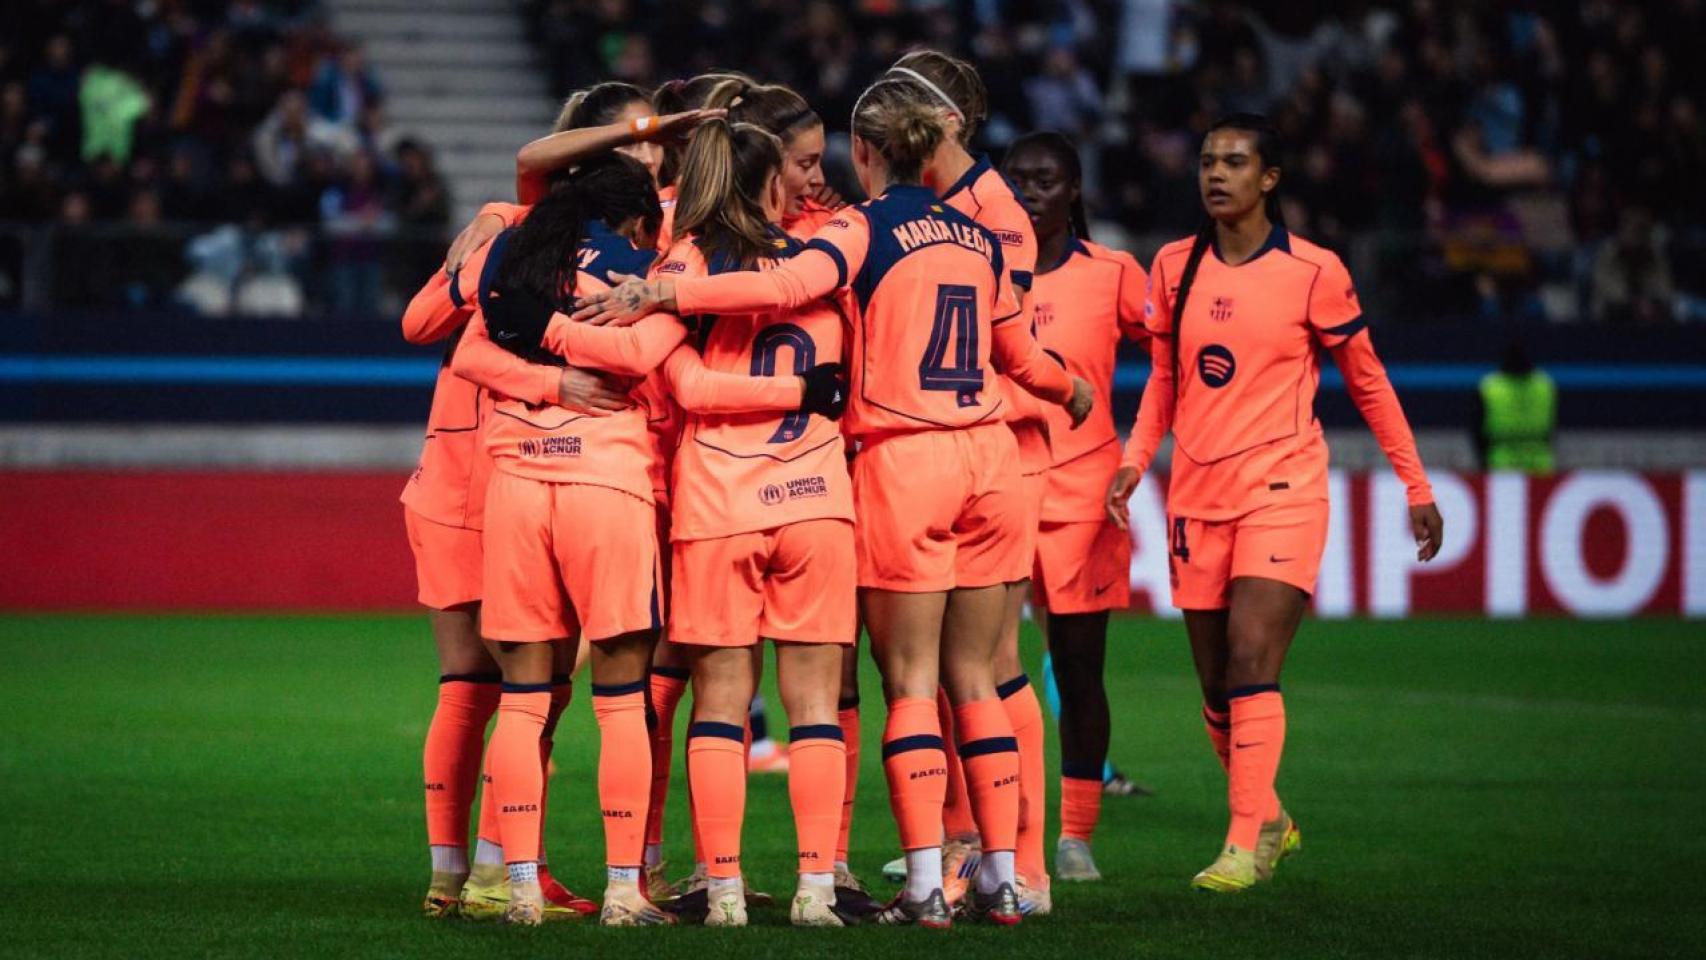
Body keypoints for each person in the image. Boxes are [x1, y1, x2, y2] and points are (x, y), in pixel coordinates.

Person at [572, 79, 1094, 928]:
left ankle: (739, 885)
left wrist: (611, 312)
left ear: (866, 150)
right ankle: (983, 876)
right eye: (800, 165)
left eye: (828, 159)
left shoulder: (813, 243)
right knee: (966, 679)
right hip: (896, 478)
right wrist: (1070, 390)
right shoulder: (977, 234)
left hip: (779, 486)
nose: (817, 179)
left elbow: (700, 352)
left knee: (769, 694)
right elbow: (1017, 352)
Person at [1106, 114, 1444, 892]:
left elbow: (1367, 379)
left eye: (1234, 162)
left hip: (1284, 488)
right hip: (1195, 492)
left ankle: (1238, 845)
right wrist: (1133, 460)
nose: (1215, 174)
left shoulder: (1313, 271)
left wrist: (1415, 485)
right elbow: (1164, 379)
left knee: (1254, 657)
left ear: (1270, 180)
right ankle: (1272, 820)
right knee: (1218, 688)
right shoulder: (1172, 266)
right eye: (1206, 162)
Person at [447, 155, 673, 926]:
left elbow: (469, 353)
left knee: (523, 697)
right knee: (620, 697)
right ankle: (620, 889)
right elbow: (644, 356)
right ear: (639, 216)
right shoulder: (647, 267)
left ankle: (512, 886)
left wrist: (544, 366)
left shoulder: (530, 261)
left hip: (517, 485)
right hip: (604, 482)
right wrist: (582, 355)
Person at [400, 213, 628, 922]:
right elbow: (422, 324)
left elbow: (419, 322)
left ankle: (453, 876)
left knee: (468, 687)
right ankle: (498, 871)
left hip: (449, 476)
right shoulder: (567, 244)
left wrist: (472, 252)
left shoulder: (504, 237)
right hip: (518, 475)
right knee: (537, 689)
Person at [872, 49, 1052, 913]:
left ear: (940, 123)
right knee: (975, 673)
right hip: (987, 448)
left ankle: (1000, 862)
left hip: (953, 444)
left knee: (977, 669)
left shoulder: (991, 216)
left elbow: (998, 343)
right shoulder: (971, 218)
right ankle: (992, 867)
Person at [707, 76, 876, 909]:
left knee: (717, 706)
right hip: (816, 491)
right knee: (820, 703)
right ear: (771, 164)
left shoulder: (689, 247)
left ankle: (721, 888)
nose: (820, 177)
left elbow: (678, 379)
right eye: (805, 163)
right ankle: (819, 881)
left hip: (716, 498)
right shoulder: (844, 239)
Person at [1002, 130, 1147, 893]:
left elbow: (1177, 358)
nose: (1030, 191)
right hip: (994, 482)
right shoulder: (978, 271)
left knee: (1079, 666)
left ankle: (1076, 836)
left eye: (1046, 179)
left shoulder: (1116, 274)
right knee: (975, 667)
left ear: (1074, 191)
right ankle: (976, 834)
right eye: (1017, 178)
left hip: (1084, 492)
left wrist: (1135, 453)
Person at [1474, 340, 1556, 474]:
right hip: (1539, 463)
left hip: (1501, 462)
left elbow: (1477, 430)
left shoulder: (1490, 387)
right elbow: (1554, 425)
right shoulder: (1545, 385)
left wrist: (1482, 464)